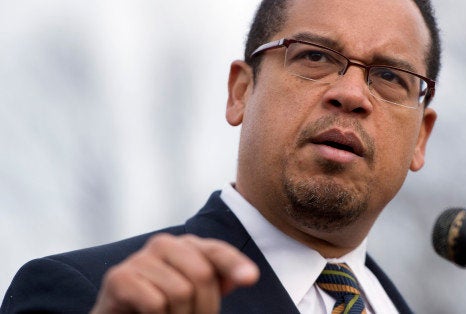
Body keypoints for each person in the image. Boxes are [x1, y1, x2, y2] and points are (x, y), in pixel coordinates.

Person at [1, 0, 441, 312]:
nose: (350, 94)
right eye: (315, 56)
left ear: (420, 139)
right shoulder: (86, 295)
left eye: (389, 76)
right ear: (241, 92)